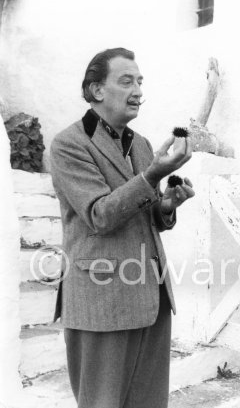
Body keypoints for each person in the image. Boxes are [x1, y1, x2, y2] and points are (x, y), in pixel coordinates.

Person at [50, 48, 195, 408]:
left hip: (152, 296)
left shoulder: (143, 145)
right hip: (102, 300)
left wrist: (167, 207)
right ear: (97, 90)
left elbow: (145, 217)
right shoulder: (69, 144)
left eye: (140, 81)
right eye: (127, 81)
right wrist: (153, 175)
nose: (138, 91)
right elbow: (100, 215)